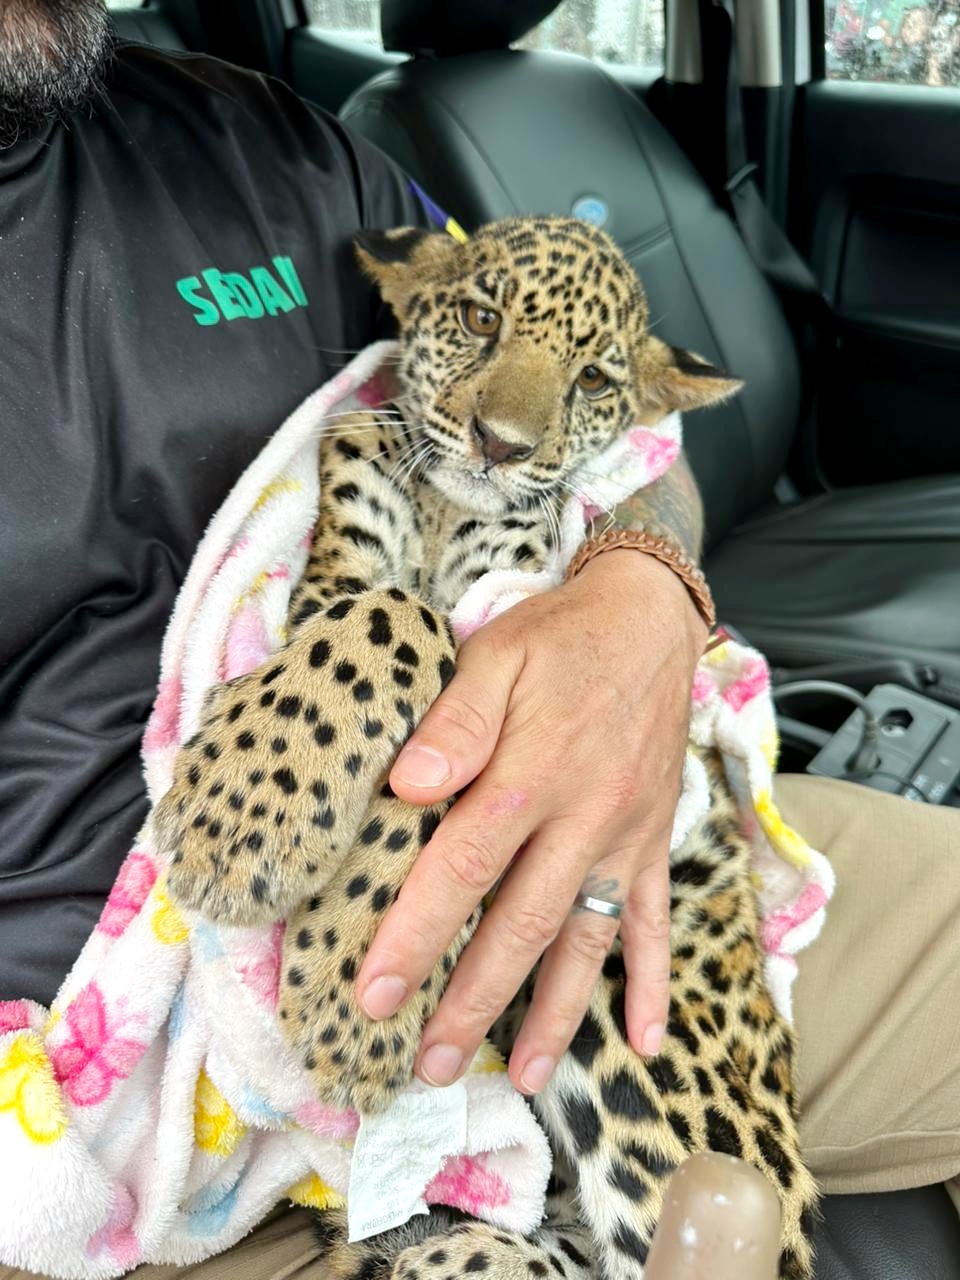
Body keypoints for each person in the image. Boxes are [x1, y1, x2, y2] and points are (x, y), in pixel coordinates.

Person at [0, 7, 956, 1277]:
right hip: (130, 1090)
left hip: (574, 846)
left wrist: (643, 598)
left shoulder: (269, 142)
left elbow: (620, 440)